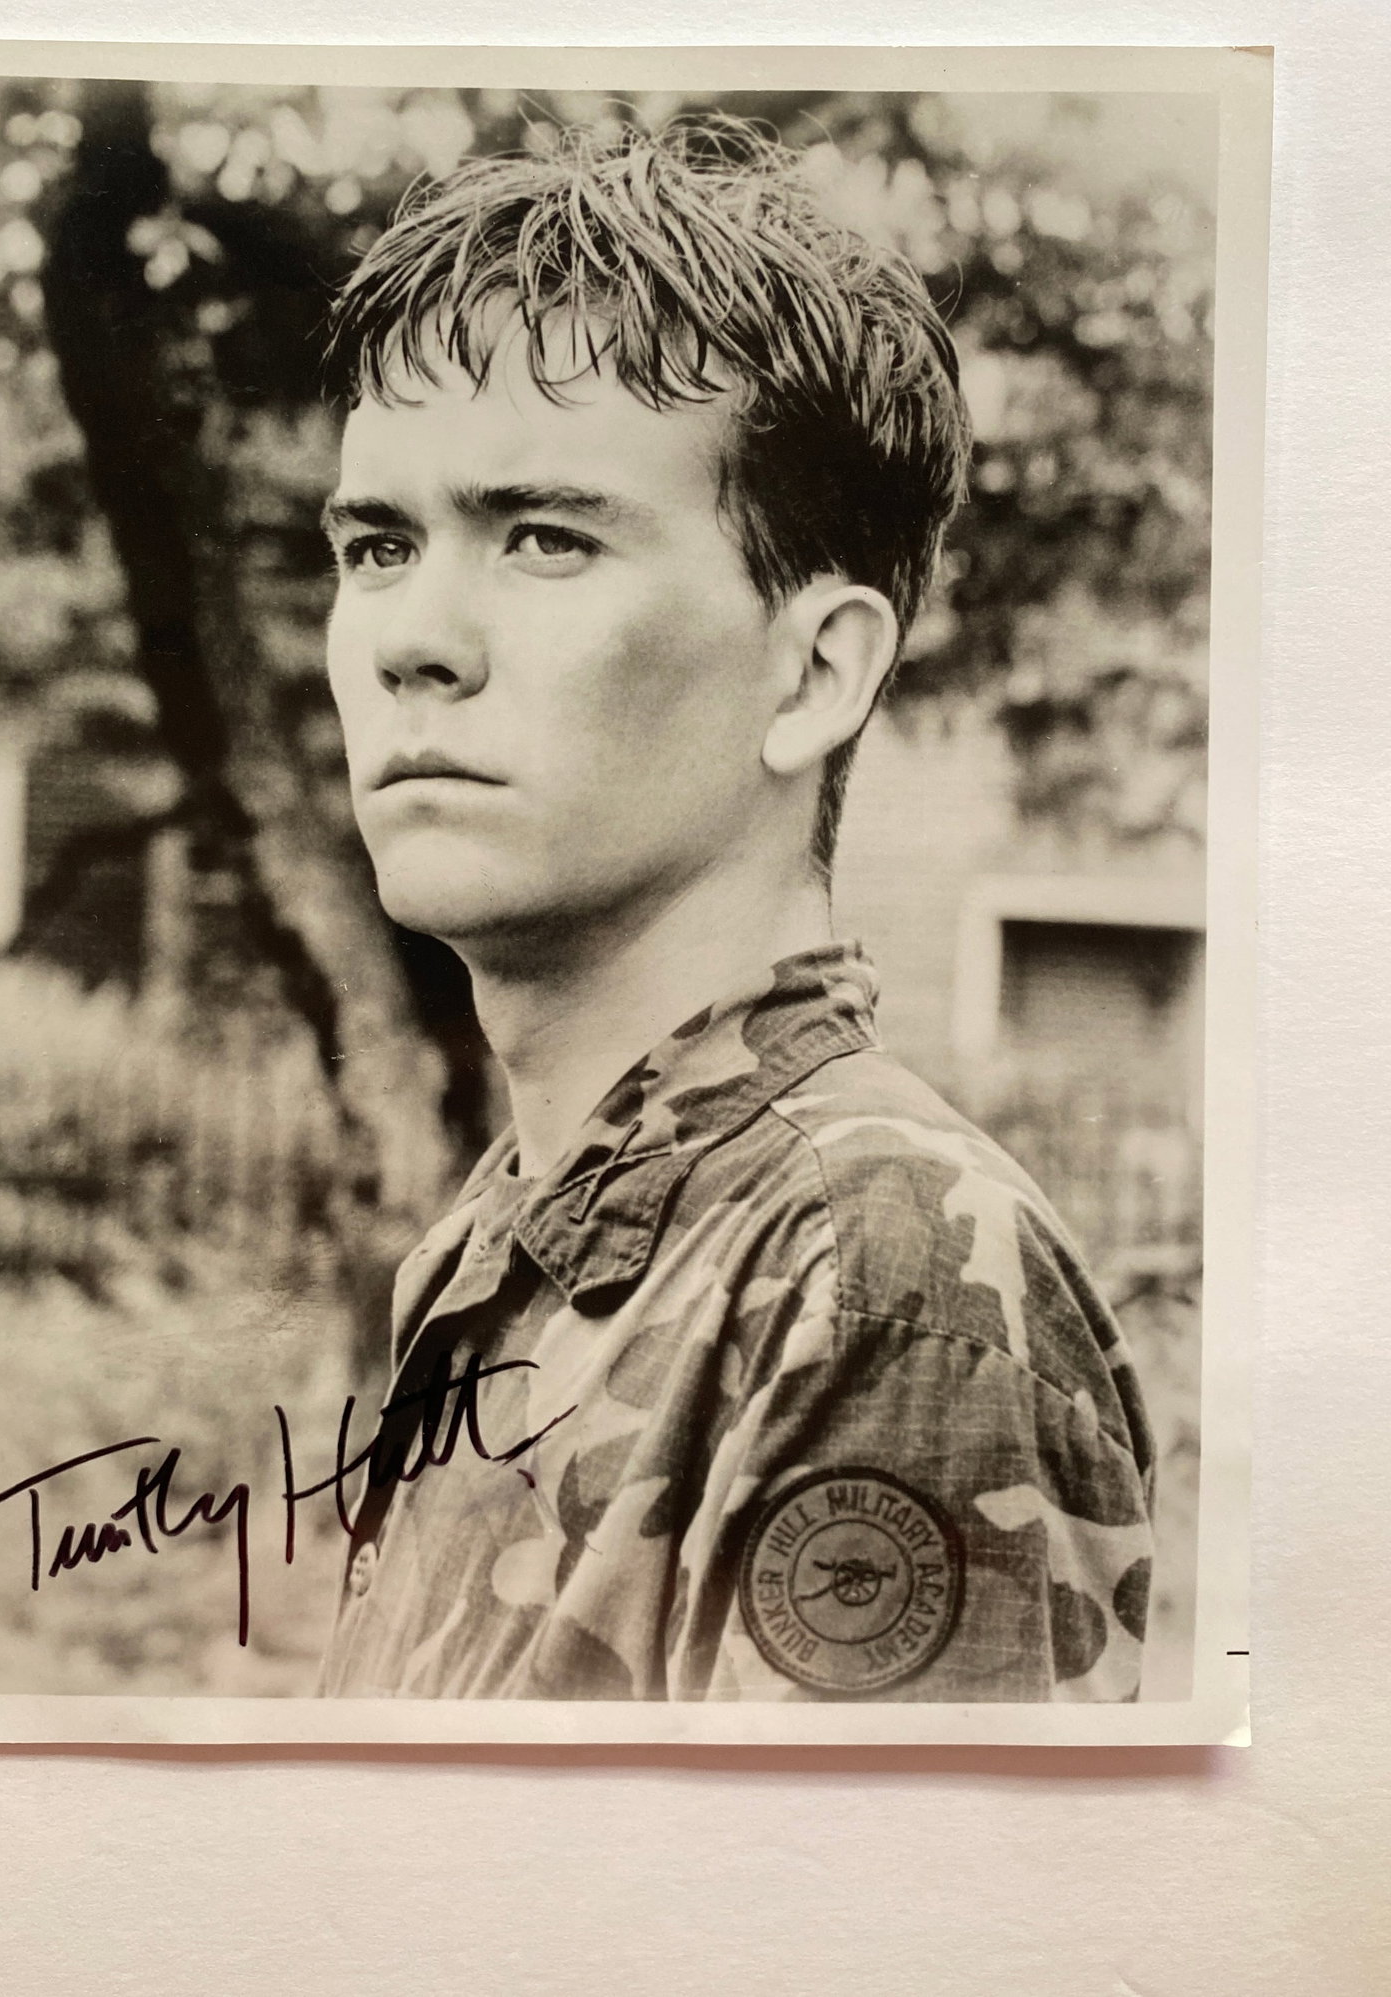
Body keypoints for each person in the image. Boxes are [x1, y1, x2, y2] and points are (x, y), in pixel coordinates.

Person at [313, 122, 1155, 1703]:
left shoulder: (882, 1283)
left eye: (546, 538)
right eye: (378, 544)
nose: (412, 636)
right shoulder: (496, 1246)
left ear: (816, 671)